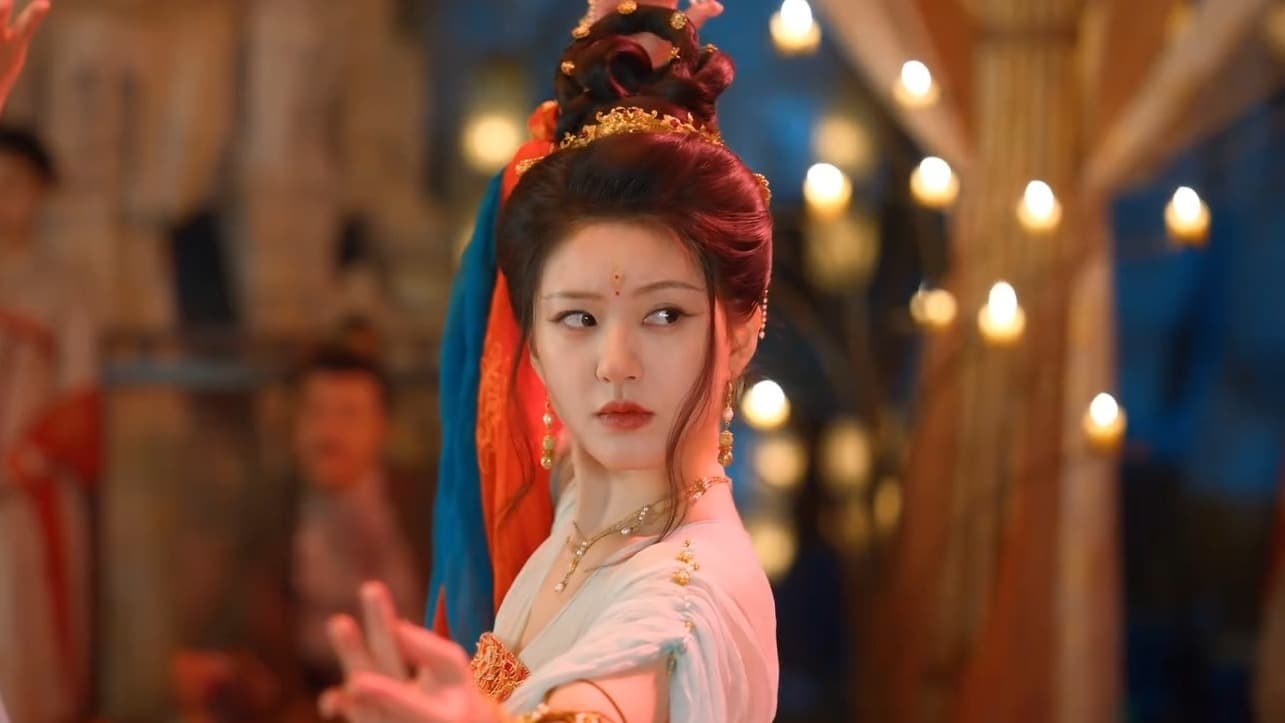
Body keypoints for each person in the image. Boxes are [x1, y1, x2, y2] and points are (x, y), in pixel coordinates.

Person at [320, 3, 777, 721]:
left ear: (743, 332)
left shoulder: (684, 599)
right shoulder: (587, 498)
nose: (615, 364)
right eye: (578, 319)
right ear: (529, 339)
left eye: (665, 315)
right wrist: (619, 77)